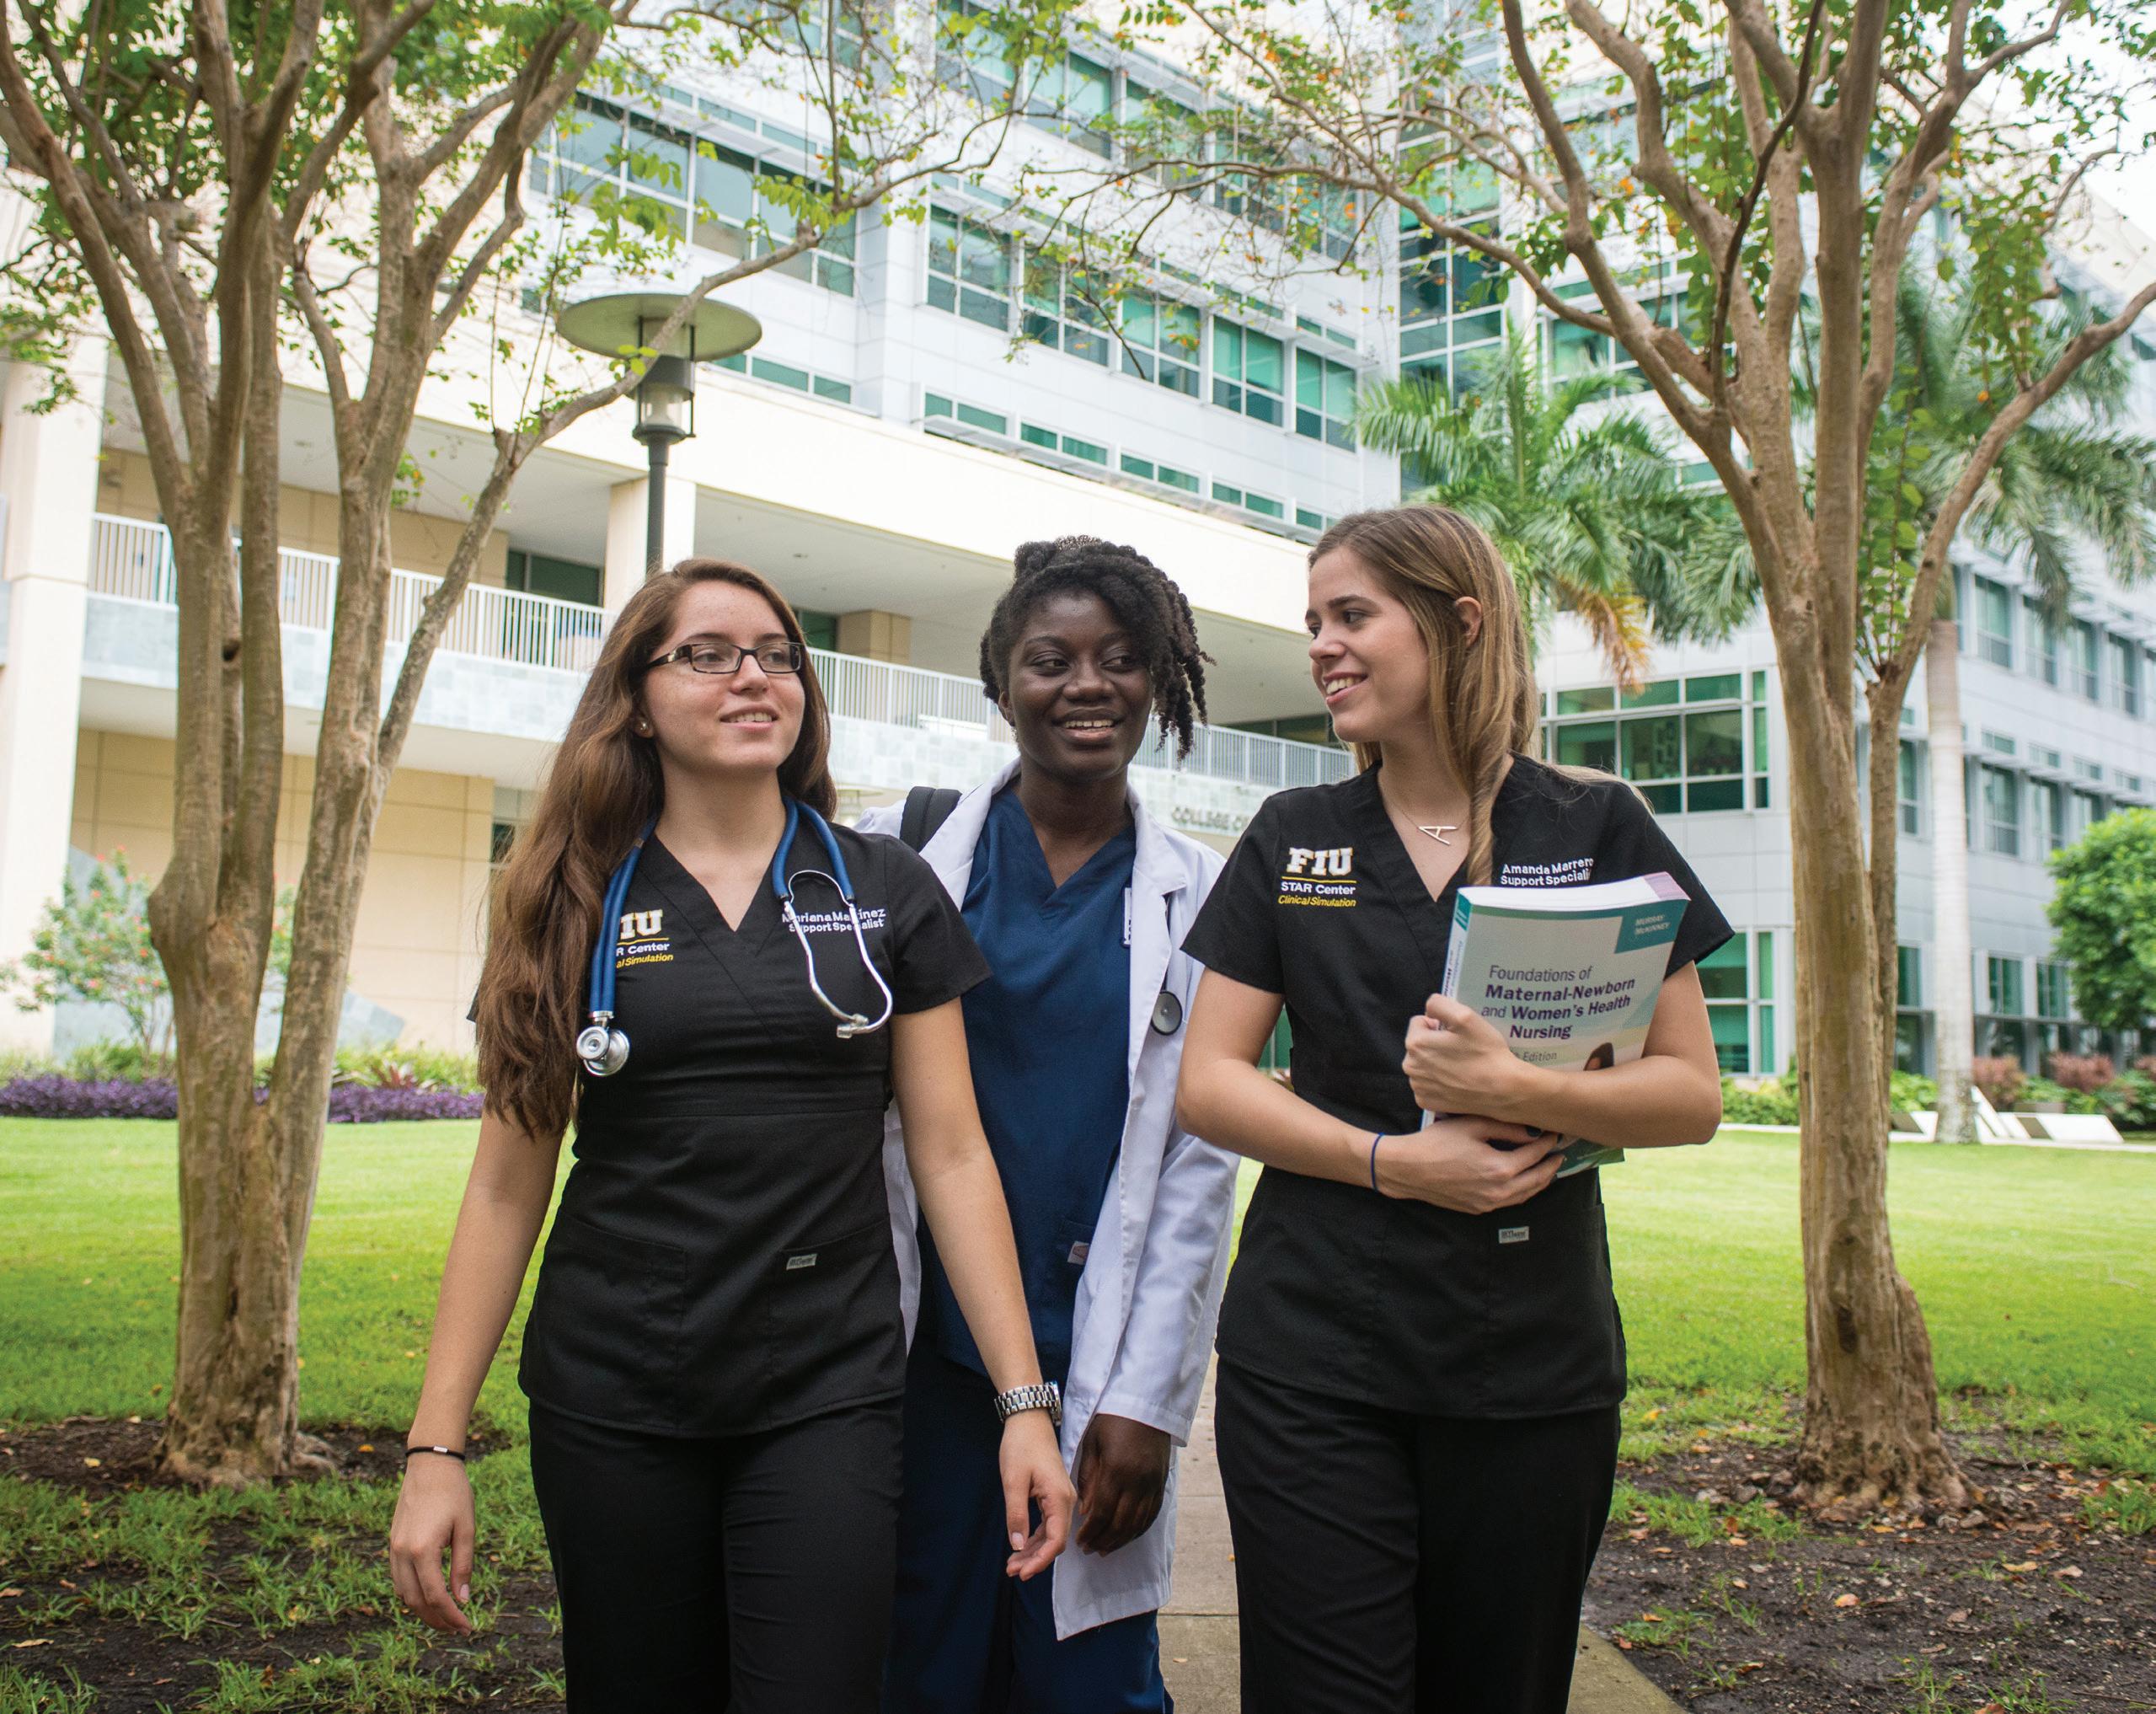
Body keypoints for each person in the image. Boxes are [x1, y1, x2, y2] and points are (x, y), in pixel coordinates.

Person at [387, 558, 1073, 1713]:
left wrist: (1023, 1403)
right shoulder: (571, 897)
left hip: (826, 1385)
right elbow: (507, 1184)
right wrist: (434, 1447)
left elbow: (953, 1155)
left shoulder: (885, 888)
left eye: (777, 654)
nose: (754, 676)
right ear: (636, 700)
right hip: (615, 1386)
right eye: (708, 654)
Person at [1174, 506, 1730, 1714]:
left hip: (1529, 1367)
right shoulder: (1295, 836)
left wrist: (1516, 1090)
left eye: (1352, 615)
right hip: (1313, 1355)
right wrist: (1393, 1161)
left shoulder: (1593, 825)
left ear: (1458, 622)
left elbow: (1691, 1093)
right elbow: (1208, 1080)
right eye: (1313, 622)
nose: (1322, 646)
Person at [867, 538, 1238, 1714]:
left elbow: (1198, 1166)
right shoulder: (899, 852)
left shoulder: (1203, 893)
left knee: (1093, 1686)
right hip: (929, 1355)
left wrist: (1150, 1403)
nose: (1088, 684)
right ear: (999, 681)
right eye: (1050, 659)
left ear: (1159, 680)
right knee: (921, 1668)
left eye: (1121, 659)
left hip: (1099, 1359)